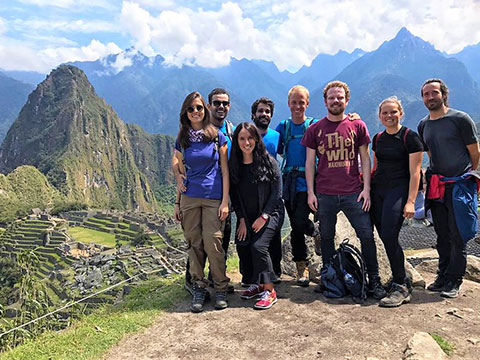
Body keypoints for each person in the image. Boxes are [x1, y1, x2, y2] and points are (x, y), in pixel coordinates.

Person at [302, 80, 386, 299]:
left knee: (367, 236)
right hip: (325, 192)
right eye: (332, 97)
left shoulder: (357, 126)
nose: (336, 101)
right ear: (325, 101)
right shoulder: (315, 129)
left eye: (340, 97)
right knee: (327, 237)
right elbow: (309, 163)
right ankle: (331, 278)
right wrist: (311, 192)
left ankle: (374, 280)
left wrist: (366, 188)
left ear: (347, 100)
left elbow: (365, 158)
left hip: (353, 191)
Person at [418, 79, 480, 298]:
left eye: (434, 93)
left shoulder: (460, 119)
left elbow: (475, 153)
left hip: (459, 185)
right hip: (437, 185)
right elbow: (429, 154)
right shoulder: (424, 124)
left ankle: (455, 280)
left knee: (458, 234)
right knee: (441, 233)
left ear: (443, 94)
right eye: (426, 94)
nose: (430, 97)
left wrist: (466, 176)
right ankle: (443, 275)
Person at [173, 88, 235, 296]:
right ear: (186, 112)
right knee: (194, 243)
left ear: (204, 110)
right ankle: (198, 287)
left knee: (214, 242)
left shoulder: (217, 137)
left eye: (199, 107)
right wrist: (176, 201)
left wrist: (225, 201)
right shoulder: (182, 138)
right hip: (189, 198)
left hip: (213, 197)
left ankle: (220, 286)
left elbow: (225, 171)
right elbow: (180, 169)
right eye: (191, 108)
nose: (195, 111)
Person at [370, 96, 423, 307]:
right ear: (380, 116)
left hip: (398, 190)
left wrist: (410, 201)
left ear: (400, 113)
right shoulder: (377, 138)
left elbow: (415, 172)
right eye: (385, 113)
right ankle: (400, 278)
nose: (389, 116)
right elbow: (375, 166)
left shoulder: (410, 137)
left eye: (393, 112)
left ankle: (401, 285)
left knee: (390, 234)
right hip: (378, 190)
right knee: (384, 236)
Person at [229, 122, 285, 309]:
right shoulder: (235, 165)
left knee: (259, 246)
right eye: (242, 139)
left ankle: (269, 290)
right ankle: (256, 283)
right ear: (237, 141)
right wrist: (243, 220)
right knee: (243, 243)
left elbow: (277, 193)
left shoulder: (268, 161)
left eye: (250, 138)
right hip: (248, 215)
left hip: (271, 212)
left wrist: (265, 216)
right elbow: (235, 196)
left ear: (256, 139)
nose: (246, 143)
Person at [275, 85, 317, 287]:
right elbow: (272, 145)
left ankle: (316, 232)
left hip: (309, 182)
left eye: (301, 102)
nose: (298, 106)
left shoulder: (314, 125)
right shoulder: (283, 127)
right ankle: (302, 266)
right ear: (288, 104)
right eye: (294, 102)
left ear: (307, 103)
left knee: (300, 221)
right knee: (295, 227)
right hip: (289, 182)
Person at [251, 97, 283, 283]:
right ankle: (254, 273)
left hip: (271, 190)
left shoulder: (276, 136)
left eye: (267, 111)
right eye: (261, 111)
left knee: (273, 233)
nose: (264, 114)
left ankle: (275, 271)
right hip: (252, 191)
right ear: (253, 114)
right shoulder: (247, 135)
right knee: (252, 233)